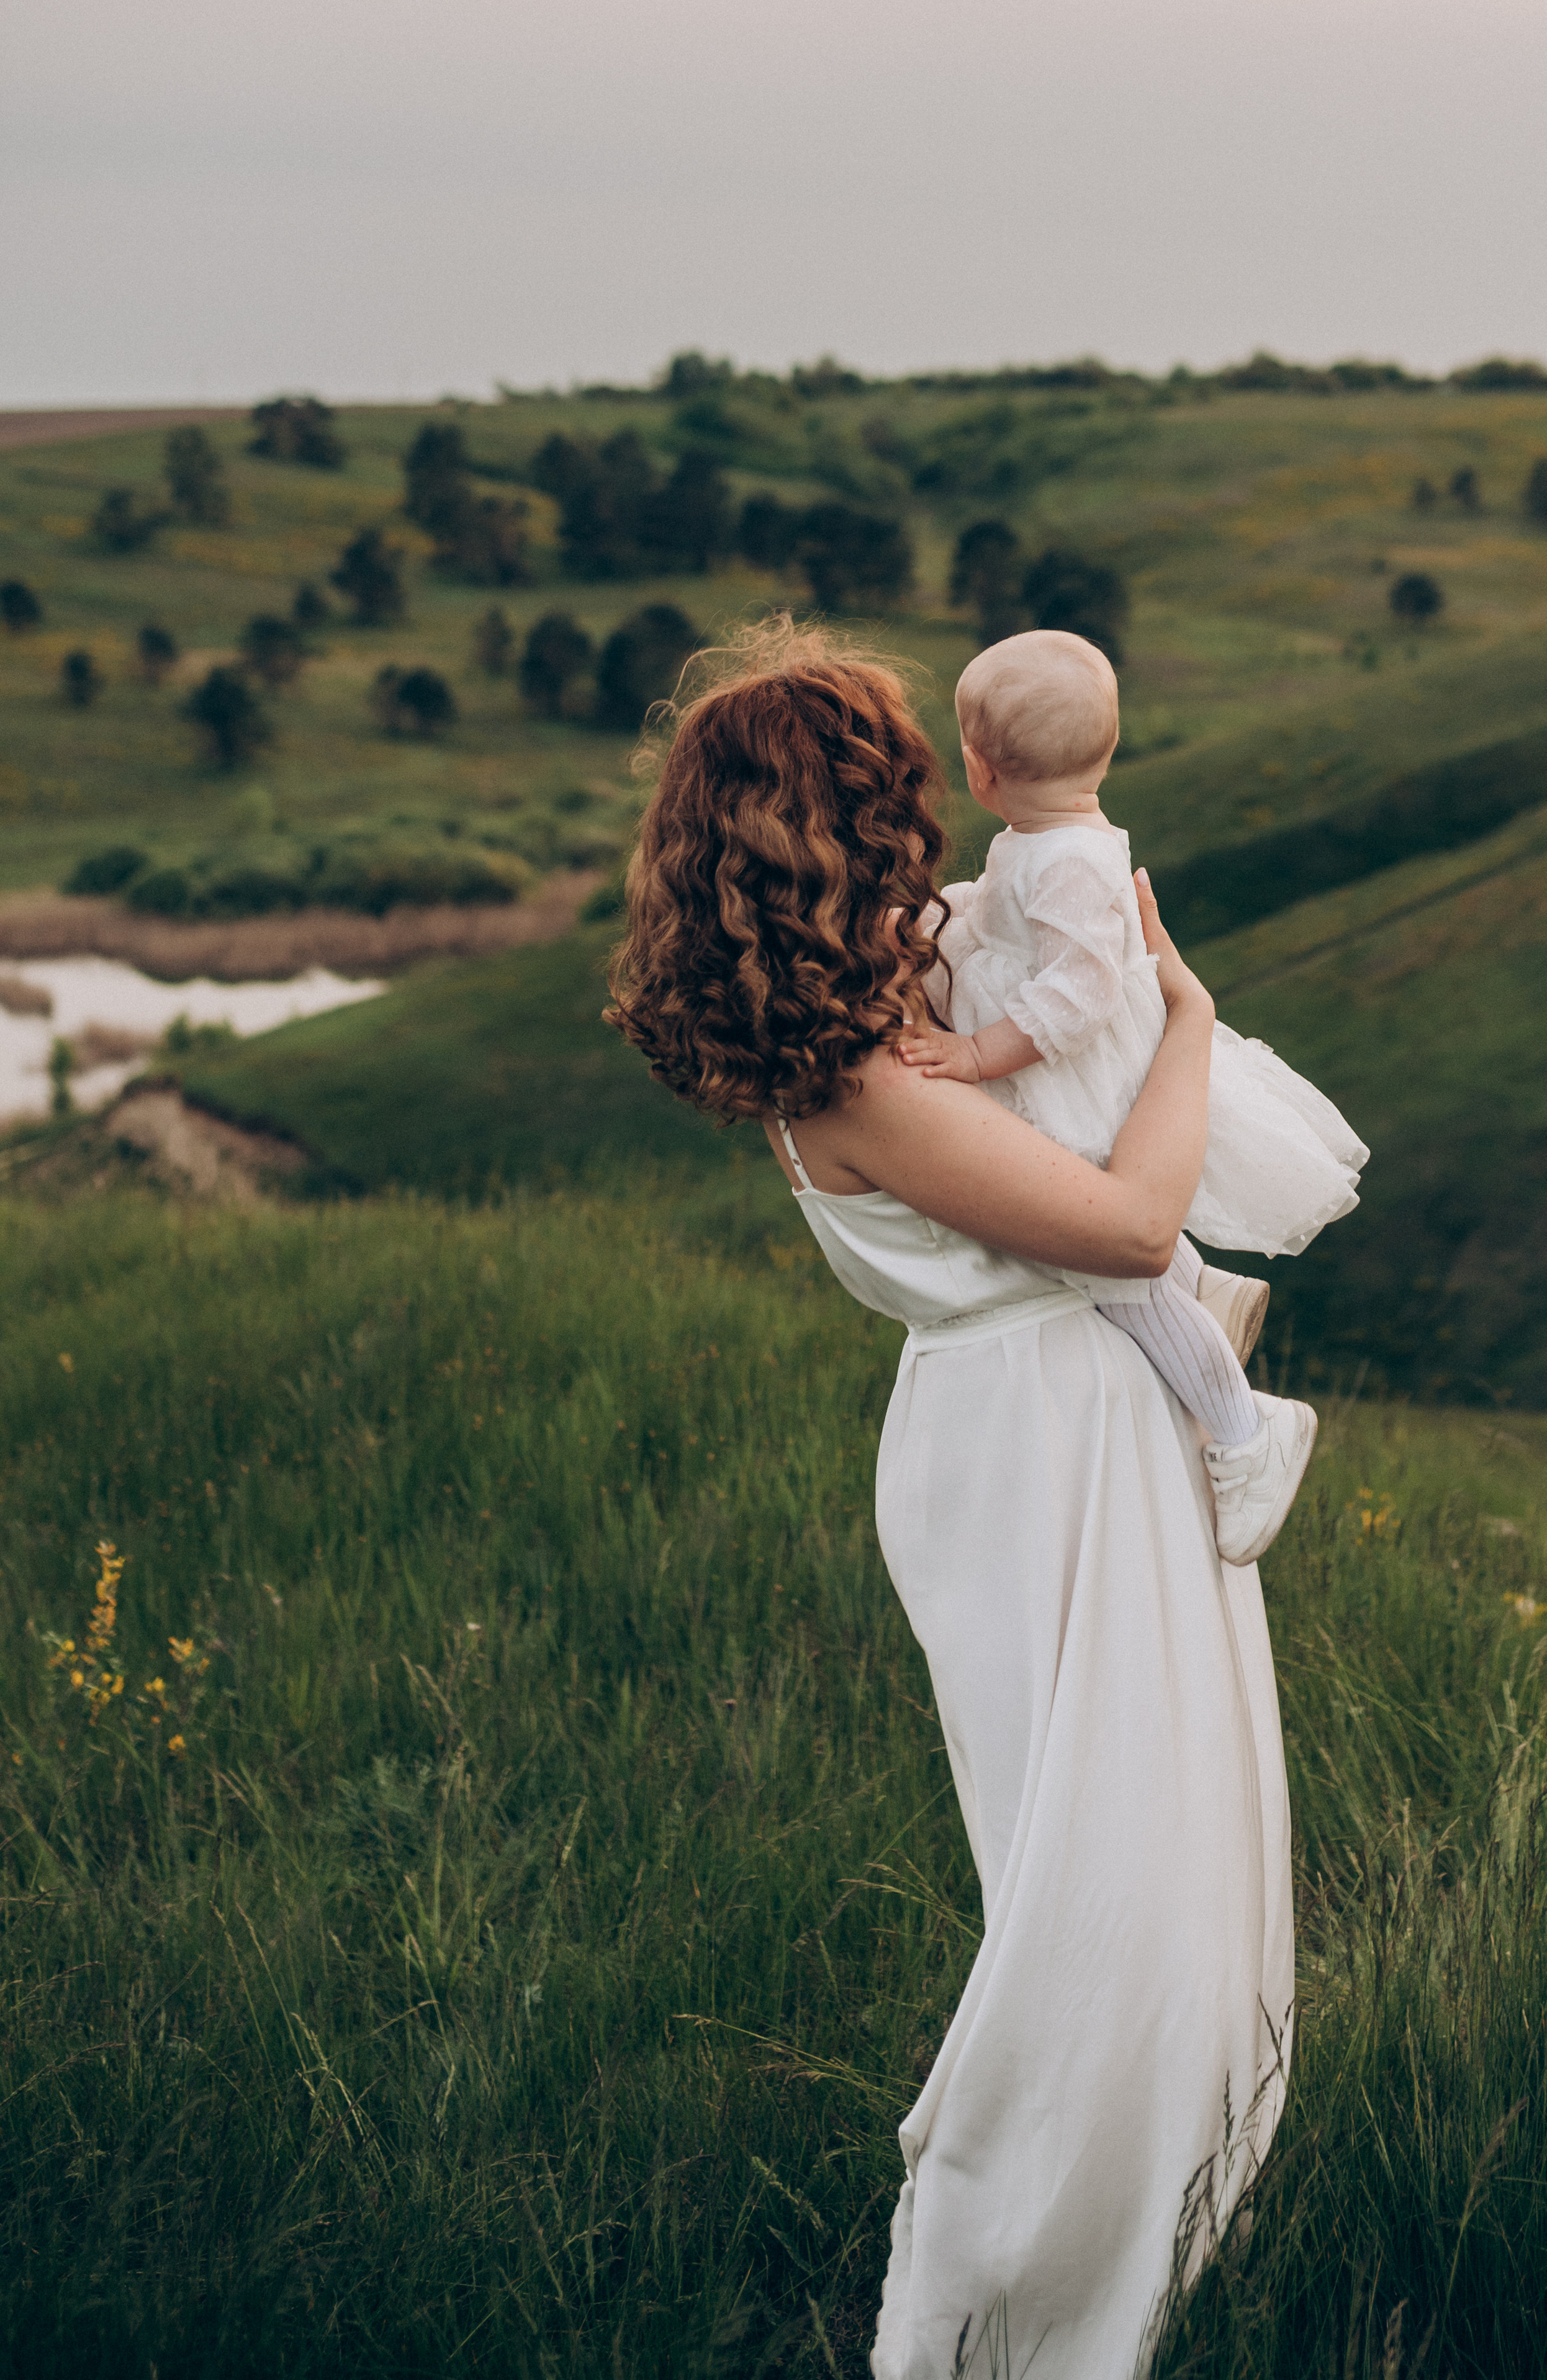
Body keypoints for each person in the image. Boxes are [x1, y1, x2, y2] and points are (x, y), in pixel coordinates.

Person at [607, 624, 1294, 2380]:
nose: (927, 808)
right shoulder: (860, 1073)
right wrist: (1192, 1024)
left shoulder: (873, 1002)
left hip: (1052, 1424)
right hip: (1039, 1452)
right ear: (846, 819)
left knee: (1129, 1858)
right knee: (1096, 1885)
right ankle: (1010, 2284)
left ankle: (1150, 2211)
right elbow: (1134, 1226)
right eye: (896, 781)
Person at [898, 629, 1368, 1568]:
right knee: (1112, 1257)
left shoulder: (1067, 860)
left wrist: (979, 1051)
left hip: (1081, 1082)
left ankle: (1247, 1430)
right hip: (1067, 1069)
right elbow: (1001, 919)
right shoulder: (1044, 839)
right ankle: (1208, 1292)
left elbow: (1076, 995)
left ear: (981, 772)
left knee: (1111, 1265)